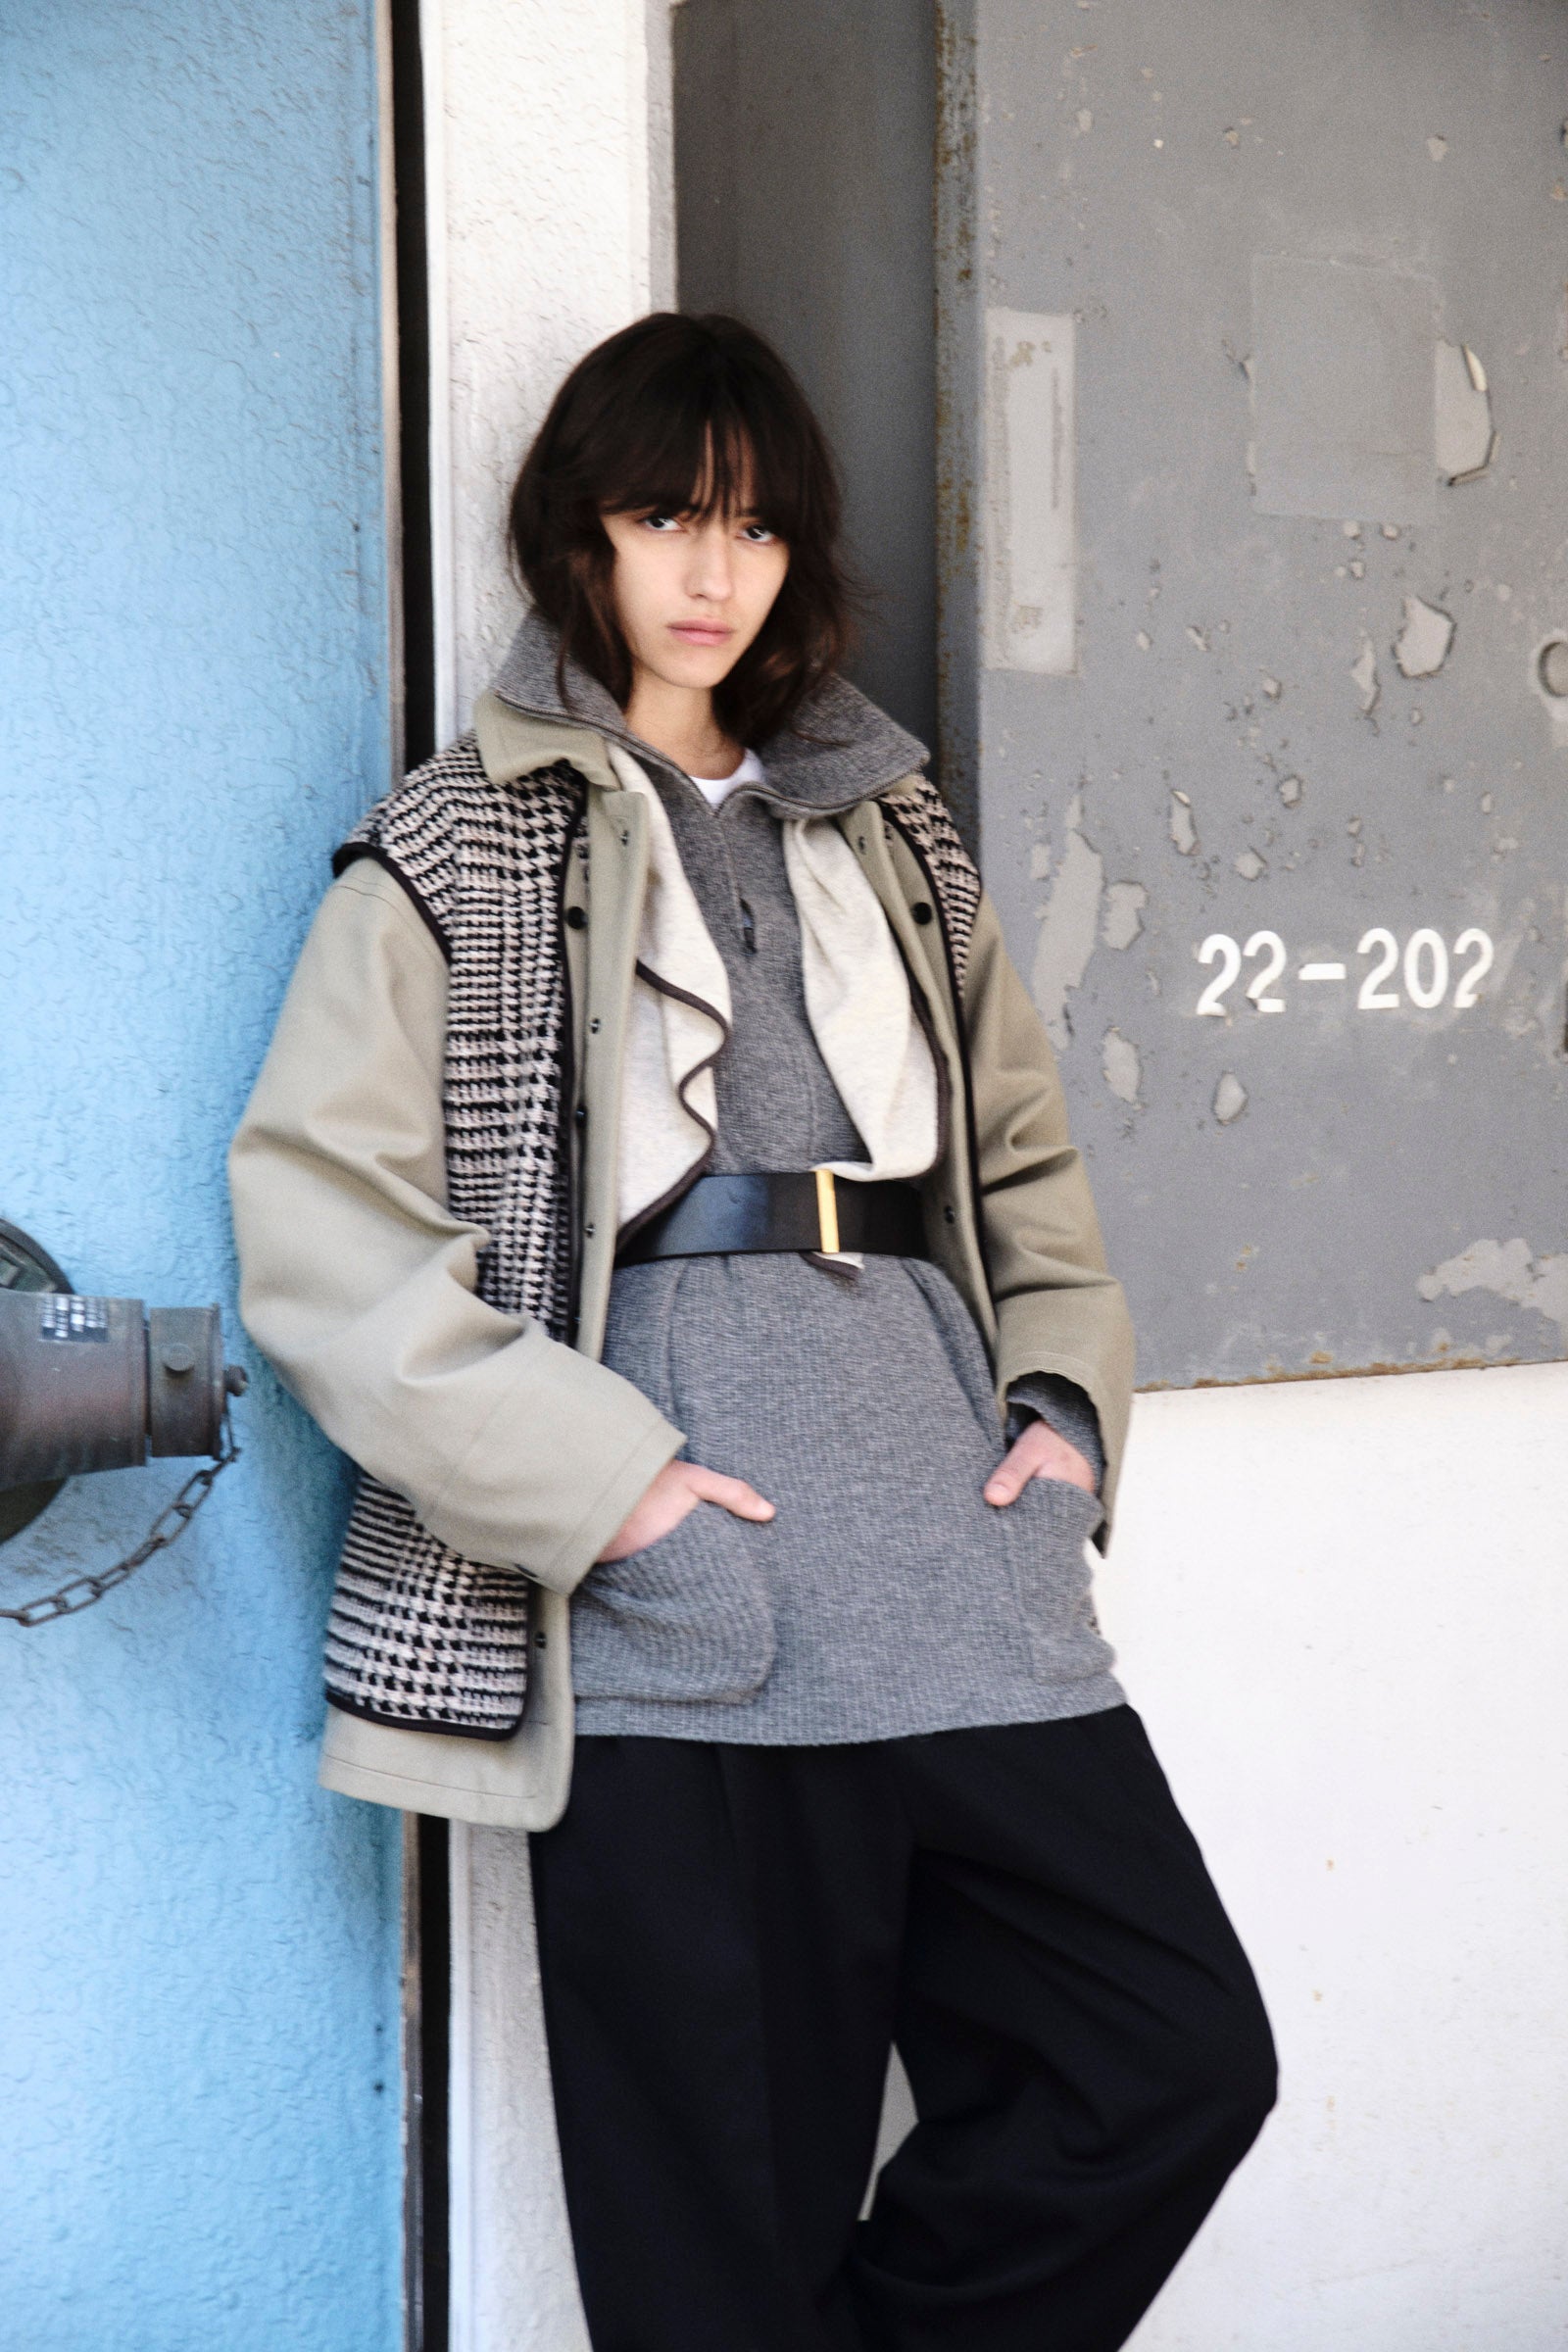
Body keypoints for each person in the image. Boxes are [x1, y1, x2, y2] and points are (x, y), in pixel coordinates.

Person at [230, 311, 1275, 2352]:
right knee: (719, 2234)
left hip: (957, 1562)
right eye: (665, 520)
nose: (714, 573)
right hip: (680, 1597)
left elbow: (1020, 1159)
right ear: (580, 537)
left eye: (757, 528)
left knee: (1164, 2058)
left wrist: (1061, 1415)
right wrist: (613, 1499)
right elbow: (322, 1232)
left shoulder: (889, 821)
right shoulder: (456, 838)